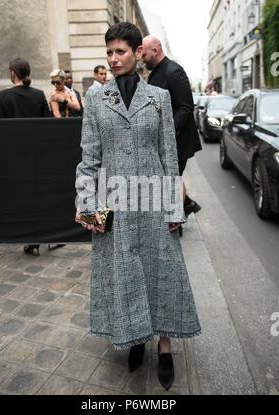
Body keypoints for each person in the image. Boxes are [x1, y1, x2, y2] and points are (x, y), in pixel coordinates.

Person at [75, 22, 201, 391]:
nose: (113, 59)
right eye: (109, 52)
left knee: (161, 271)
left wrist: (174, 209)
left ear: (136, 53)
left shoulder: (159, 98)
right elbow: (90, 157)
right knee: (126, 272)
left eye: (121, 52)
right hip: (114, 201)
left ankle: (164, 348)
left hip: (153, 198)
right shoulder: (96, 99)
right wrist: (87, 205)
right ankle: (134, 338)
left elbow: (168, 155)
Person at [0, 58, 51, 256]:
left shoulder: (0, 97)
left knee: (15, 196)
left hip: (11, 157)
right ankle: (35, 237)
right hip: (35, 156)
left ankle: (18, 232)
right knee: (35, 196)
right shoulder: (39, 95)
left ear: (13, 73)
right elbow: (48, 126)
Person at [142, 36, 202, 224]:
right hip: (166, 140)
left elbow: (186, 107)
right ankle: (185, 207)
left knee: (170, 180)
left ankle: (175, 218)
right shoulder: (155, 72)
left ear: (155, 50)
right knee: (171, 178)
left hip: (178, 141)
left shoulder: (173, 72)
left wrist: (167, 133)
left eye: (144, 53)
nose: (141, 58)